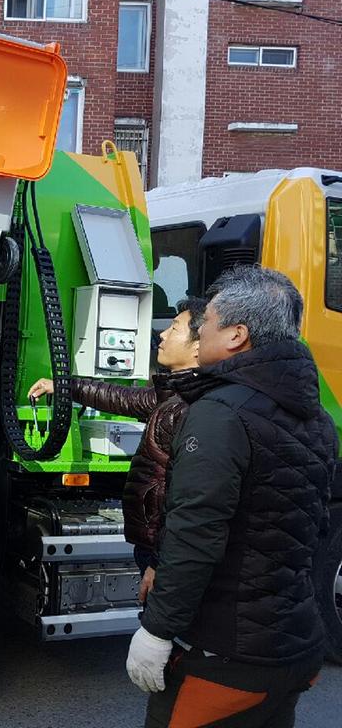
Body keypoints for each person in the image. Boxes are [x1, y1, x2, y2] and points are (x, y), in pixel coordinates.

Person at [126, 265, 336, 727]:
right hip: (294, 645)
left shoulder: (221, 412)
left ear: (237, 335)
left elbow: (195, 533)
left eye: (207, 327)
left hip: (225, 655)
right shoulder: (317, 417)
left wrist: (157, 630)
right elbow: (311, 528)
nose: (198, 337)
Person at [28, 297, 208, 600]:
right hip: (153, 545)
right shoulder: (172, 395)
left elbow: (184, 497)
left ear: (198, 346)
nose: (161, 334)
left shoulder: (189, 406)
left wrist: (158, 562)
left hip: (161, 551)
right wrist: (65, 386)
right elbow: (120, 397)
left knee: (162, 629)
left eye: (175, 328)